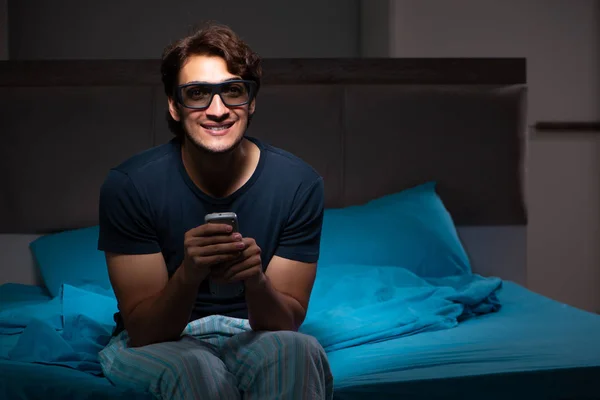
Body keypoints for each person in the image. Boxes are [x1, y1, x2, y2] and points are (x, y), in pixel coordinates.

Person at [96, 23, 333, 399]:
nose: (218, 110)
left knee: (300, 350)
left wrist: (256, 281)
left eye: (233, 92)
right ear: (174, 105)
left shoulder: (299, 185)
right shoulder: (130, 185)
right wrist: (189, 275)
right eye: (197, 94)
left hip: (254, 335)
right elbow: (143, 331)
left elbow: (286, 324)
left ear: (251, 101)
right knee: (196, 367)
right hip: (159, 343)